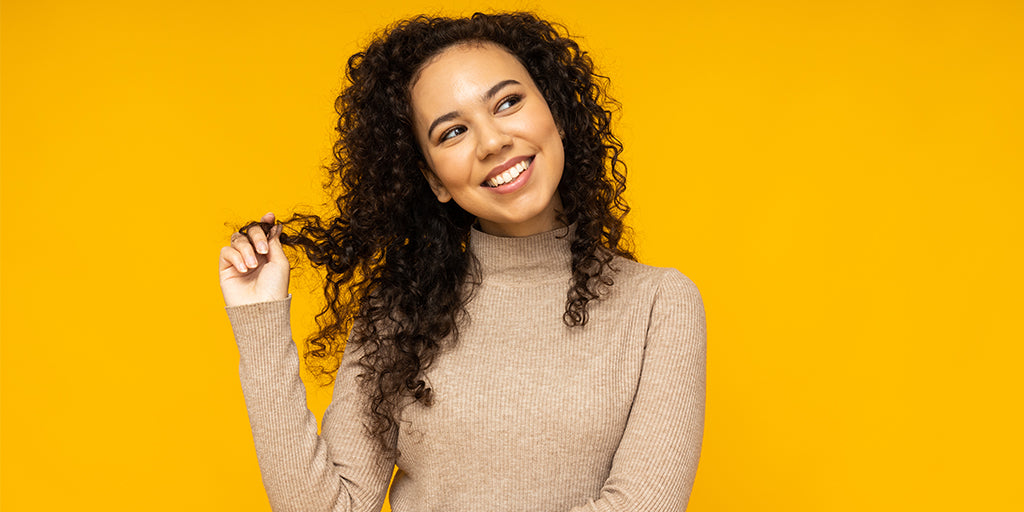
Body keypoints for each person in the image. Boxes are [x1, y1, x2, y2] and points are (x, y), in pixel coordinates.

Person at [218, 12, 706, 512]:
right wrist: (261, 327)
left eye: (508, 102)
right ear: (433, 181)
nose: (492, 141)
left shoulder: (659, 304)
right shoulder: (397, 315)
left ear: (556, 112)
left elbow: (644, 504)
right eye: (452, 132)